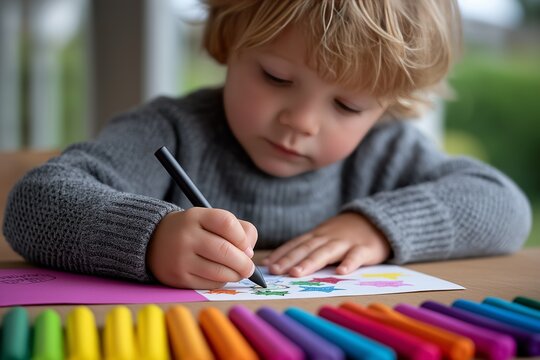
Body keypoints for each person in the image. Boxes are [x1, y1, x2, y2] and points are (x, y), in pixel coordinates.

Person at [3, 0, 532, 289]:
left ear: (387, 107)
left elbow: (505, 206)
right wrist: (150, 238)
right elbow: (35, 203)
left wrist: (379, 227)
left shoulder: (385, 152)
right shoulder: (172, 131)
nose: (301, 121)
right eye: (277, 77)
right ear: (231, 41)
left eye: (347, 106)